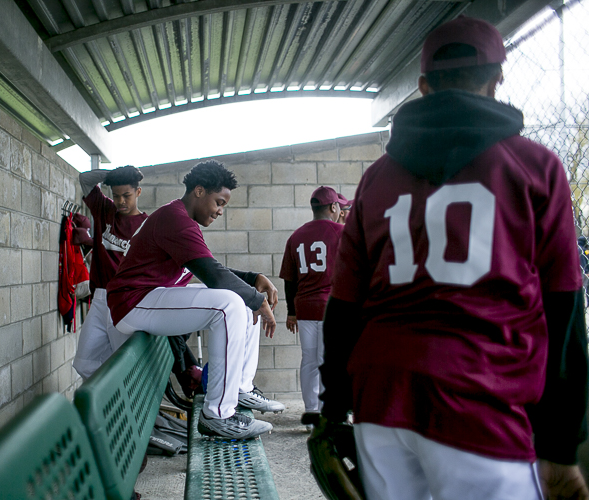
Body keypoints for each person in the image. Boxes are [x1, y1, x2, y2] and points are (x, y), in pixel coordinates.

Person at [311, 16, 589, 500]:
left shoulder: (376, 178)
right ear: (498, 78)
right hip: (482, 401)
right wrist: (561, 448)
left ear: (422, 86)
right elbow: (564, 311)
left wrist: (334, 407)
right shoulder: (536, 165)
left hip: (382, 399)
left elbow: (345, 308)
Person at [106, 160, 285, 439]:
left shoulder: (178, 218)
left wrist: (252, 279)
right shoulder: (174, 219)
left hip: (147, 299)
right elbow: (214, 275)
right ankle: (218, 415)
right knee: (232, 304)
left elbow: (206, 267)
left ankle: (240, 387)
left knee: (239, 299)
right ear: (199, 191)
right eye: (219, 202)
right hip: (133, 302)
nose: (220, 211)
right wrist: (257, 298)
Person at [72, 165, 148, 379]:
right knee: (84, 362)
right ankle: (104, 405)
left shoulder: (147, 225)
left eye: (127, 195)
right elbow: (85, 179)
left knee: (126, 368)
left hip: (125, 300)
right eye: (116, 195)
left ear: (138, 192)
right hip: (99, 298)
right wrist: (114, 175)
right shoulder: (105, 209)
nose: (121, 201)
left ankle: (124, 408)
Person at [279, 186, 345, 418]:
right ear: (333, 207)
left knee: (309, 360)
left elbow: (289, 279)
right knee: (329, 361)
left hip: (305, 306)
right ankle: (330, 413)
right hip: (331, 306)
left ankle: (311, 412)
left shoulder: (296, 236)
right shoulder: (342, 232)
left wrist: (291, 312)